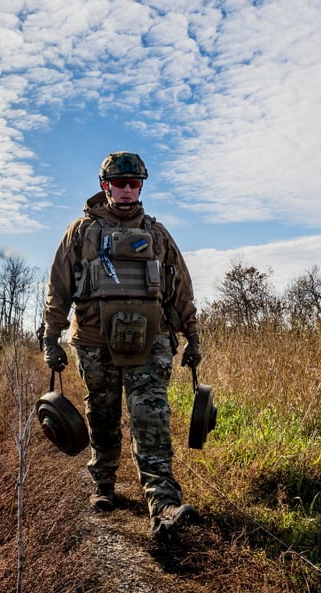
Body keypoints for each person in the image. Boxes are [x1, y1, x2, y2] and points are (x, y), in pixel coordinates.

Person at [42, 151, 202, 537]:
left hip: (152, 343)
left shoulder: (159, 234)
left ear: (140, 186)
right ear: (105, 186)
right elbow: (59, 289)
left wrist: (193, 337)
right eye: (119, 183)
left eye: (134, 183)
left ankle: (163, 504)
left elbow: (180, 289)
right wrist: (51, 337)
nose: (127, 190)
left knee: (152, 420)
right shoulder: (80, 233)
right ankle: (103, 483)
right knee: (102, 414)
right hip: (95, 342)